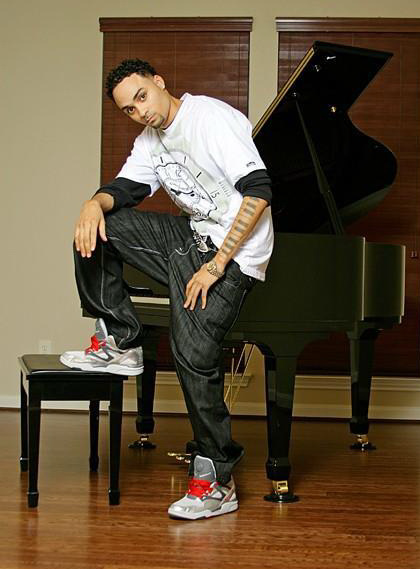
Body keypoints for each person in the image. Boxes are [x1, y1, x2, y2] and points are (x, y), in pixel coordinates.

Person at [61, 59, 274, 519]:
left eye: (142, 97)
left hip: (234, 256)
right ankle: (122, 339)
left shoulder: (210, 119)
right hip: (189, 240)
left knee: (191, 352)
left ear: (159, 83)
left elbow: (259, 192)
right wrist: (91, 204)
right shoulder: (149, 140)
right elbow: (125, 189)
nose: (140, 111)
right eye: (129, 109)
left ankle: (217, 479)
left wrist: (216, 265)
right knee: (99, 227)